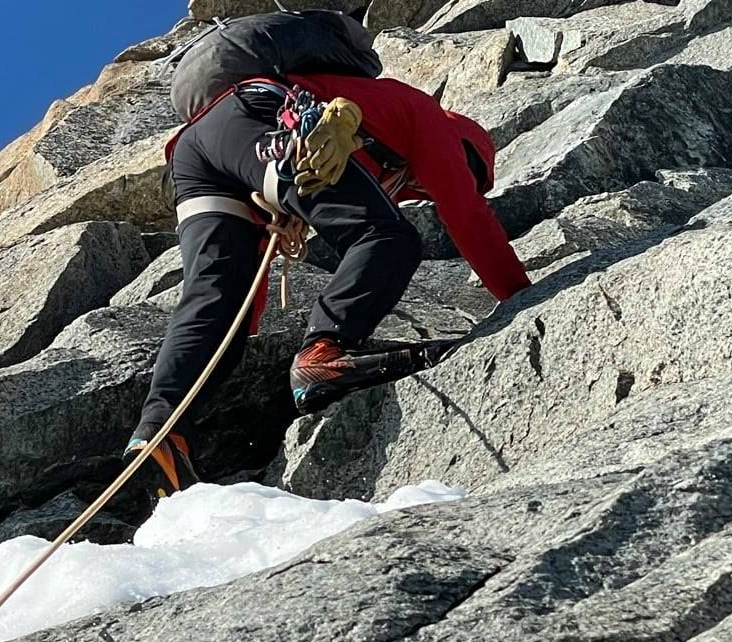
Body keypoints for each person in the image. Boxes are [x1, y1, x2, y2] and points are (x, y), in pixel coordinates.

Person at [126, 69, 531, 496]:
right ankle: (324, 349)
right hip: (260, 114)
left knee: (217, 302)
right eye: (468, 171)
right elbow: (468, 217)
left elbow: (232, 284)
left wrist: (247, 319)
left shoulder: (374, 123)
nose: (425, 188)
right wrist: (526, 299)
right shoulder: (431, 119)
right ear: (467, 146)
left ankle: (160, 433)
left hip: (197, 153)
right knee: (389, 238)